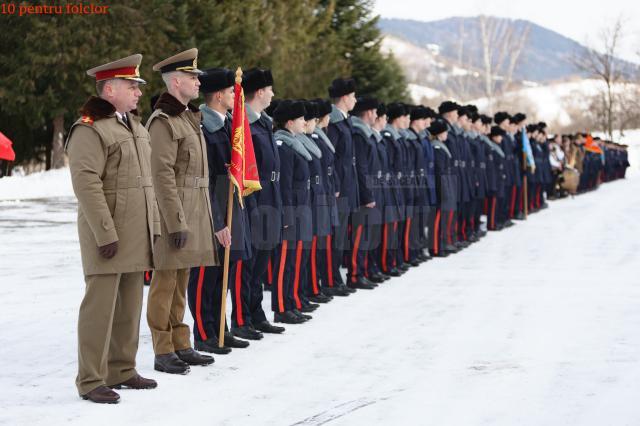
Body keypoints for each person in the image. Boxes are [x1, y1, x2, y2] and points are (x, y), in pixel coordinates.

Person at [67, 53, 159, 403]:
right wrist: (105, 233)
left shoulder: (133, 125)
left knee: (129, 305)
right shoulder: (90, 127)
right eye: (131, 85)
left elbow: (145, 183)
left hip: (136, 231)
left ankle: (122, 368)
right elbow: (86, 183)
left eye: (137, 86)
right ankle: (91, 379)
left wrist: (154, 226)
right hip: (108, 233)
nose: (138, 92)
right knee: (100, 307)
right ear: (109, 89)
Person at [146, 48, 217, 374]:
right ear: (176, 81)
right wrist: (174, 221)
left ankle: (180, 343)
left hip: (193, 210)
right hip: (173, 213)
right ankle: (163, 350)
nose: (198, 81)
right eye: (192, 77)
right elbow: (161, 175)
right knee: (164, 283)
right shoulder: (163, 121)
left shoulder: (188, 117)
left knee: (181, 279)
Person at [185, 67, 252, 355]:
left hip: (228, 209)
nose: (236, 98)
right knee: (205, 276)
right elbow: (206, 180)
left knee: (220, 274)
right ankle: (203, 333)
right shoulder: (204, 128)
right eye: (231, 93)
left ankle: (219, 328)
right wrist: (215, 221)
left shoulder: (226, 126)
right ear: (218, 95)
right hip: (208, 212)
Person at [241, 68, 287, 334]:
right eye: (270, 89)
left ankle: (257, 314)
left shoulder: (262, 122)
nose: (273, 94)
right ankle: (243, 317)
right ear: (259, 92)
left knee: (260, 266)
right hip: (255, 202)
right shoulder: (243, 124)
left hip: (271, 200)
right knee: (248, 267)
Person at [272, 100, 314, 324]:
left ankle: (291, 302)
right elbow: (285, 185)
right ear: (289, 122)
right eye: (301, 119)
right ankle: (281, 307)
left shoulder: (295, 143)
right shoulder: (284, 145)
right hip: (292, 209)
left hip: (300, 207)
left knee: (293, 260)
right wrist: (287, 215)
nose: (304, 122)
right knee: (284, 261)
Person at [326, 78, 359, 294]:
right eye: (353, 96)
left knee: (341, 237)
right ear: (345, 97)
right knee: (335, 237)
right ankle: (331, 279)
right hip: (339, 187)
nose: (355, 100)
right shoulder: (334, 123)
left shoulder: (345, 121)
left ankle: (336, 277)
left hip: (347, 185)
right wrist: (336, 184)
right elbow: (331, 156)